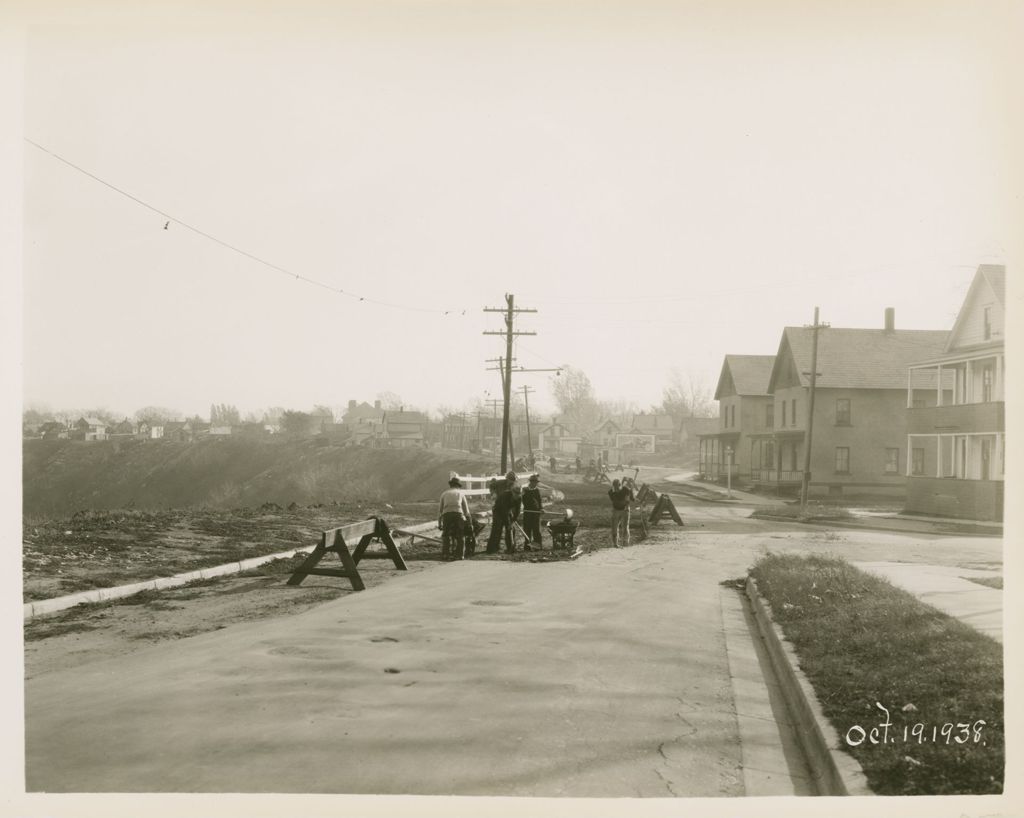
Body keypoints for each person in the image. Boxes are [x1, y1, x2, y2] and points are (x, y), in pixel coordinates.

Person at [486, 471, 522, 554]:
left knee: (511, 529)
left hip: (507, 509)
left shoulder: (518, 496)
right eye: (511, 480)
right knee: (497, 528)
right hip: (498, 509)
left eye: (513, 480)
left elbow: (518, 510)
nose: (516, 496)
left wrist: (513, 521)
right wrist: (493, 493)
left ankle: (510, 548)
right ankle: (492, 549)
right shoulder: (503, 489)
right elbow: (504, 511)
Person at [438, 476, 471, 560]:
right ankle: (460, 555)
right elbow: (466, 510)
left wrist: (439, 523)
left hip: (447, 514)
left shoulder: (444, 493)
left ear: (451, 485)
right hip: (458, 513)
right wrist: (469, 521)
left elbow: (440, 511)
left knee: (446, 535)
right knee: (460, 534)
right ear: (458, 486)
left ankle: (446, 554)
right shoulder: (461, 494)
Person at [608, 477, 635, 548]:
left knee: (625, 527)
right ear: (613, 486)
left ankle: (625, 543)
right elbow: (615, 500)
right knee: (614, 527)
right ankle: (615, 544)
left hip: (625, 510)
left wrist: (631, 489)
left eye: (618, 487)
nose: (616, 489)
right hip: (616, 510)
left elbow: (632, 499)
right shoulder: (611, 492)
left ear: (620, 485)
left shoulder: (626, 489)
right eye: (615, 487)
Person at [520, 474, 544, 549]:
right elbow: (520, 499)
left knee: (536, 530)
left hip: (536, 513)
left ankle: (537, 546)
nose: (536, 484)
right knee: (527, 530)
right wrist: (520, 508)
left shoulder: (537, 490)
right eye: (534, 482)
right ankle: (527, 546)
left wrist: (541, 509)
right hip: (527, 512)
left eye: (536, 482)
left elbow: (539, 501)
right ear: (531, 482)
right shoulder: (524, 490)